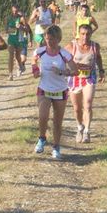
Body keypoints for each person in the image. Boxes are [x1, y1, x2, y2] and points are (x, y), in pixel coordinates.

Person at [32, 25, 78, 159]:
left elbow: (75, 71)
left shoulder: (64, 54)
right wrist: (35, 70)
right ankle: (42, 138)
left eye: (52, 39)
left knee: (57, 121)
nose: (49, 42)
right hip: (44, 88)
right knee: (43, 115)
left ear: (58, 39)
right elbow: (34, 60)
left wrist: (63, 72)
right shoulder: (40, 51)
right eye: (47, 39)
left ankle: (56, 147)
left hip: (60, 90)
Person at [66, 24, 105, 143]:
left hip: (89, 78)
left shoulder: (95, 46)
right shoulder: (71, 46)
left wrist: (101, 70)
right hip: (74, 79)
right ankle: (79, 128)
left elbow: (98, 57)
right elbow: (63, 58)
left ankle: (87, 131)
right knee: (77, 108)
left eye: (88, 34)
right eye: (82, 34)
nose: (85, 37)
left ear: (91, 34)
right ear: (78, 33)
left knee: (87, 104)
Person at [6, 4, 25, 80]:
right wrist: (14, 29)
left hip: (19, 39)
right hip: (11, 40)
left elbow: (27, 29)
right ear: (11, 10)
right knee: (11, 56)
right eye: (13, 11)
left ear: (18, 11)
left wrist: (21, 27)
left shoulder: (21, 18)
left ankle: (21, 65)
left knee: (17, 56)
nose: (14, 12)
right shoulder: (8, 18)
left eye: (16, 11)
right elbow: (6, 30)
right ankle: (10, 74)